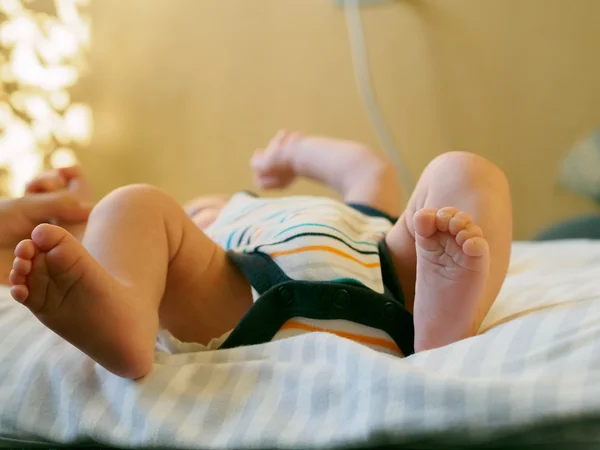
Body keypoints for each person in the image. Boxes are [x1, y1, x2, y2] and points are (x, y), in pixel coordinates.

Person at [8, 131, 512, 379]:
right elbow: (117, 237)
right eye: (201, 207)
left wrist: (291, 150)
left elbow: (367, 171)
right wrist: (81, 211)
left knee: (463, 171)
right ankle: (122, 315)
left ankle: (447, 323)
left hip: (385, 267)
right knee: (130, 205)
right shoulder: (207, 232)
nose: (215, 202)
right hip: (237, 285)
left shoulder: (361, 215)